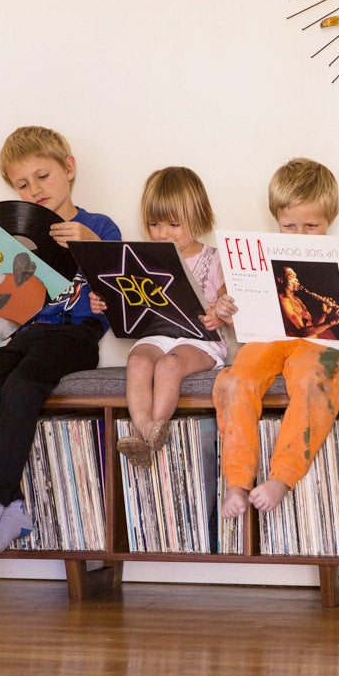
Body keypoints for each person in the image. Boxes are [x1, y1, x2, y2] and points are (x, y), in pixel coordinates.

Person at [0, 126, 121, 555]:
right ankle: (12, 506)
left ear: (69, 168)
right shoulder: (16, 239)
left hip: (75, 336)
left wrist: (94, 244)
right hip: (25, 335)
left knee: (24, 385)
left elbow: (123, 290)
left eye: (43, 176)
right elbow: (6, 304)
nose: (35, 190)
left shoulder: (98, 226)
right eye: (22, 184)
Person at [212, 157, 339, 517]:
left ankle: (282, 478)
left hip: (320, 343)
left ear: (330, 220)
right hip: (267, 340)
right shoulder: (257, 256)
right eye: (289, 226)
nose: (300, 234)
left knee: (310, 380)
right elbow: (232, 309)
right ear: (276, 218)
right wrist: (225, 307)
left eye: (311, 226)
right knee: (236, 380)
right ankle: (237, 482)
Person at [89, 166, 228, 467]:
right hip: (157, 335)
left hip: (201, 343)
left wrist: (220, 313)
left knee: (168, 366)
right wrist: (104, 301)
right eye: (154, 224)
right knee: (137, 360)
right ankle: (143, 432)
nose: (162, 233)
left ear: (197, 216)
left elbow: (232, 305)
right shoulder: (144, 259)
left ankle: (155, 429)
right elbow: (126, 299)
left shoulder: (213, 259)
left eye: (174, 224)